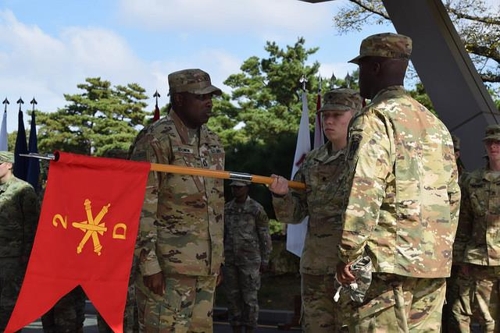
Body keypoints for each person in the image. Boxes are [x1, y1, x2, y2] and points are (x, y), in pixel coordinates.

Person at [335, 33, 460, 332]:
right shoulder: (435, 124)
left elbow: (363, 192)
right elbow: (453, 196)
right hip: (432, 265)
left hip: (386, 265)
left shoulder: (375, 119)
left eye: (363, 67)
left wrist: (348, 254)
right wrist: (440, 250)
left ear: (375, 68)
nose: (360, 75)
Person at [129, 68, 225, 332]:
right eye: (201, 97)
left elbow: (216, 206)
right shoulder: (156, 139)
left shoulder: (213, 142)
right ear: (179, 99)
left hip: (205, 270)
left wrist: (217, 260)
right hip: (167, 271)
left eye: (211, 96)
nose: (209, 102)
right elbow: (140, 205)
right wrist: (149, 265)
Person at [269, 88, 363, 332]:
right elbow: (294, 213)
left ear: (356, 115)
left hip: (354, 270)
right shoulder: (312, 160)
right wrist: (281, 195)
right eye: (325, 115)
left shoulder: (368, 158)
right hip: (317, 268)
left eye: (337, 115)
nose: (328, 121)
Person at [452, 124, 500, 332]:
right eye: (489, 142)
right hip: (479, 259)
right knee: (482, 318)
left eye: (498, 142)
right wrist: (460, 257)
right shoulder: (472, 181)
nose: (493, 146)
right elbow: (464, 222)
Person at [96, 147, 139, 333]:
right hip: (103, 267)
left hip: (129, 269)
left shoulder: (137, 192)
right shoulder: (98, 195)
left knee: (126, 320)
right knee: (105, 317)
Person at [222, 180, 272, 333]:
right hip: (230, 260)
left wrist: (265, 259)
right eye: (233, 187)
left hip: (250, 261)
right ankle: (235, 328)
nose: (235, 190)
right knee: (232, 298)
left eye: (239, 187)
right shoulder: (227, 209)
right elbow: (221, 235)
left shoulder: (256, 209)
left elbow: (264, 236)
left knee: (249, 298)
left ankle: (250, 328)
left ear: (247, 188)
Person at [0, 151, 40, 331]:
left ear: (9, 165)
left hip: (13, 258)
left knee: (9, 305)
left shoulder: (23, 189)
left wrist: (27, 255)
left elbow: (32, 225)